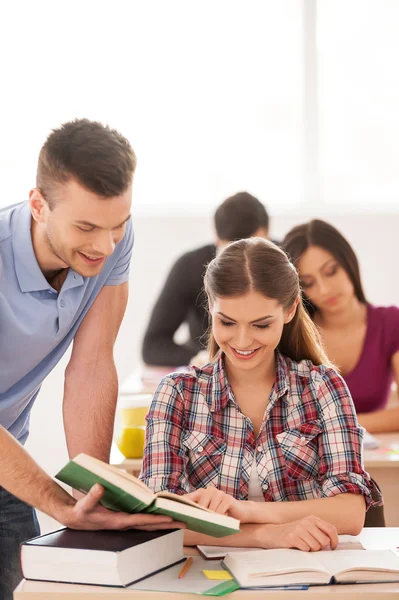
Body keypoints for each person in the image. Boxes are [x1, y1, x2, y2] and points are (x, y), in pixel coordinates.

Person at [0, 119, 181, 599]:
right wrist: (59, 504)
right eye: (85, 227)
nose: (103, 246)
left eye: (117, 226)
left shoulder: (108, 245)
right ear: (38, 205)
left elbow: (93, 365)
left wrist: (92, 492)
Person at [140, 238, 381, 551]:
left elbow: (349, 512)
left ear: (291, 308)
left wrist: (249, 510)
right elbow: (156, 520)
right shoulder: (177, 393)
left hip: (310, 573)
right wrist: (264, 535)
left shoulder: (323, 387)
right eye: (226, 322)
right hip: (207, 578)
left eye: (261, 324)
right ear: (211, 306)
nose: (242, 340)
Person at [282, 219, 399, 433]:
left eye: (331, 271)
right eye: (308, 283)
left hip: (370, 457)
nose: (325, 289)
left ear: (348, 262)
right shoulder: (293, 332)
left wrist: (337, 424)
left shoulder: (391, 322)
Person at [142, 192, 271, 367]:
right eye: (231, 251)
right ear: (217, 239)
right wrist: (206, 358)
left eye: (252, 248)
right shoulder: (189, 266)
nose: (243, 261)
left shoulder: (285, 265)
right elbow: (153, 346)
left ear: (267, 235)